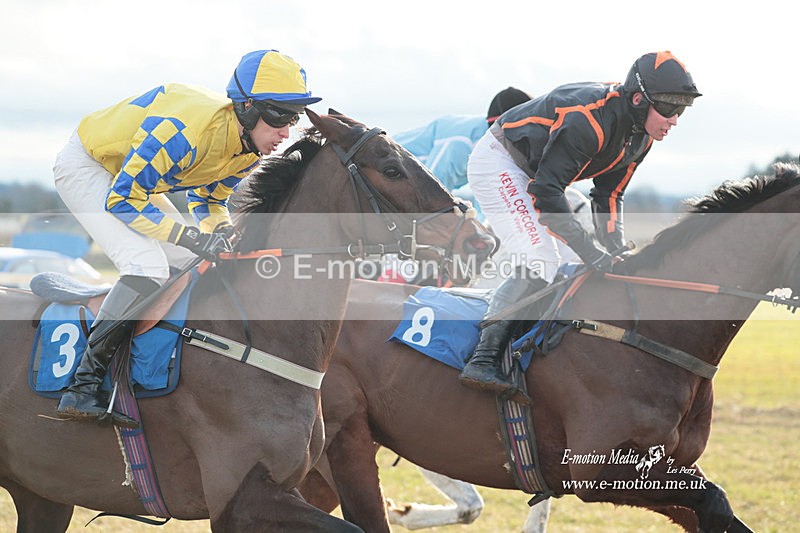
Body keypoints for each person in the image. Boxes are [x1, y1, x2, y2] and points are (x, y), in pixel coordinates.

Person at [53, 49, 321, 427]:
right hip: (91, 166)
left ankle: (143, 370)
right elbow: (124, 199)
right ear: (245, 107)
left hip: (128, 180)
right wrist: (192, 237)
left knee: (180, 264)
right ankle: (82, 385)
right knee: (145, 264)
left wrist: (221, 232)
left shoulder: (246, 152)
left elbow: (209, 199)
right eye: (279, 115)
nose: (285, 131)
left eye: (293, 118)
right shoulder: (183, 132)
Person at [459, 51, 701, 402]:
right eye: (668, 108)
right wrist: (592, 251)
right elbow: (546, 193)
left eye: (682, 110)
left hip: (540, 174)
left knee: (576, 262)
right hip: (500, 162)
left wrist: (614, 248)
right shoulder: (588, 123)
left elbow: (610, 194)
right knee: (543, 257)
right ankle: (484, 357)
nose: (674, 120)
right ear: (638, 99)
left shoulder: (641, 136)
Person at [393, 87, 532, 219]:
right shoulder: (461, 142)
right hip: (395, 173)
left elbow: (487, 198)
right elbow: (431, 190)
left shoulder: (494, 142)